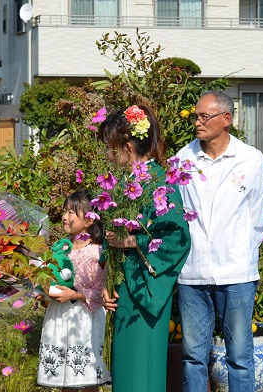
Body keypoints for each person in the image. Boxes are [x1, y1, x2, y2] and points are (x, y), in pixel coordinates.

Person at [175, 90, 263, 392]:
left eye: (204, 116)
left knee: (240, 355)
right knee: (192, 356)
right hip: (192, 273)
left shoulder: (251, 160)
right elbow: (176, 214)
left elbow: (258, 219)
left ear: (226, 119)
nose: (197, 122)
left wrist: (240, 251)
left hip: (237, 273)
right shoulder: (182, 159)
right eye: (196, 116)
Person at [100, 103, 191, 392]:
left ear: (126, 145)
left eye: (109, 147)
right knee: (126, 372)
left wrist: (133, 241)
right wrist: (107, 278)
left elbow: (177, 237)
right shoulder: (127, 182)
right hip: (126, 287)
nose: (107, 154)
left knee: (142, 372)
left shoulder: (159, 183)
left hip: (145, 289)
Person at [37, 189, 111, 391]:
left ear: (88, 221)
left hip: (84, 318)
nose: (64, 217)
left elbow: (100, 293)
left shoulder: (97, 252)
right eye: (64, 211)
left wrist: (75, 295)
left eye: (71, 212)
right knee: (64, 379)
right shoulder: (61, 248)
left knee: (85, 378)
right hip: (59, 316)